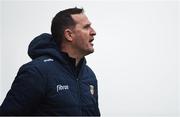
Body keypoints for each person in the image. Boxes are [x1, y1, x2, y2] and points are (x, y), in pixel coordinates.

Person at [0, 7, 100, 116]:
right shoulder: (37, 72)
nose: (93, 32)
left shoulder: (89, 75)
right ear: (69, 35)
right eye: (86, 27)